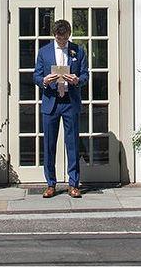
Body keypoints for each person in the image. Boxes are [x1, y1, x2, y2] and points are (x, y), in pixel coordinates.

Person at [32, 19, 89, 198]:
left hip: (70, 102)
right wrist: (44, 81)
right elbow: (36, 76)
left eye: (65, 38)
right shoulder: (44, 52)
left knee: (72, 144)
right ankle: (51, 184)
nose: (62, 41)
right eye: (59, 38)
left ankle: (73, 184)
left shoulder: (78, 51)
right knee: (49, 145)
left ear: (69, 35)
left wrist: (77, 80)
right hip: (51, 102)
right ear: (54, 35)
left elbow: (85, 75)